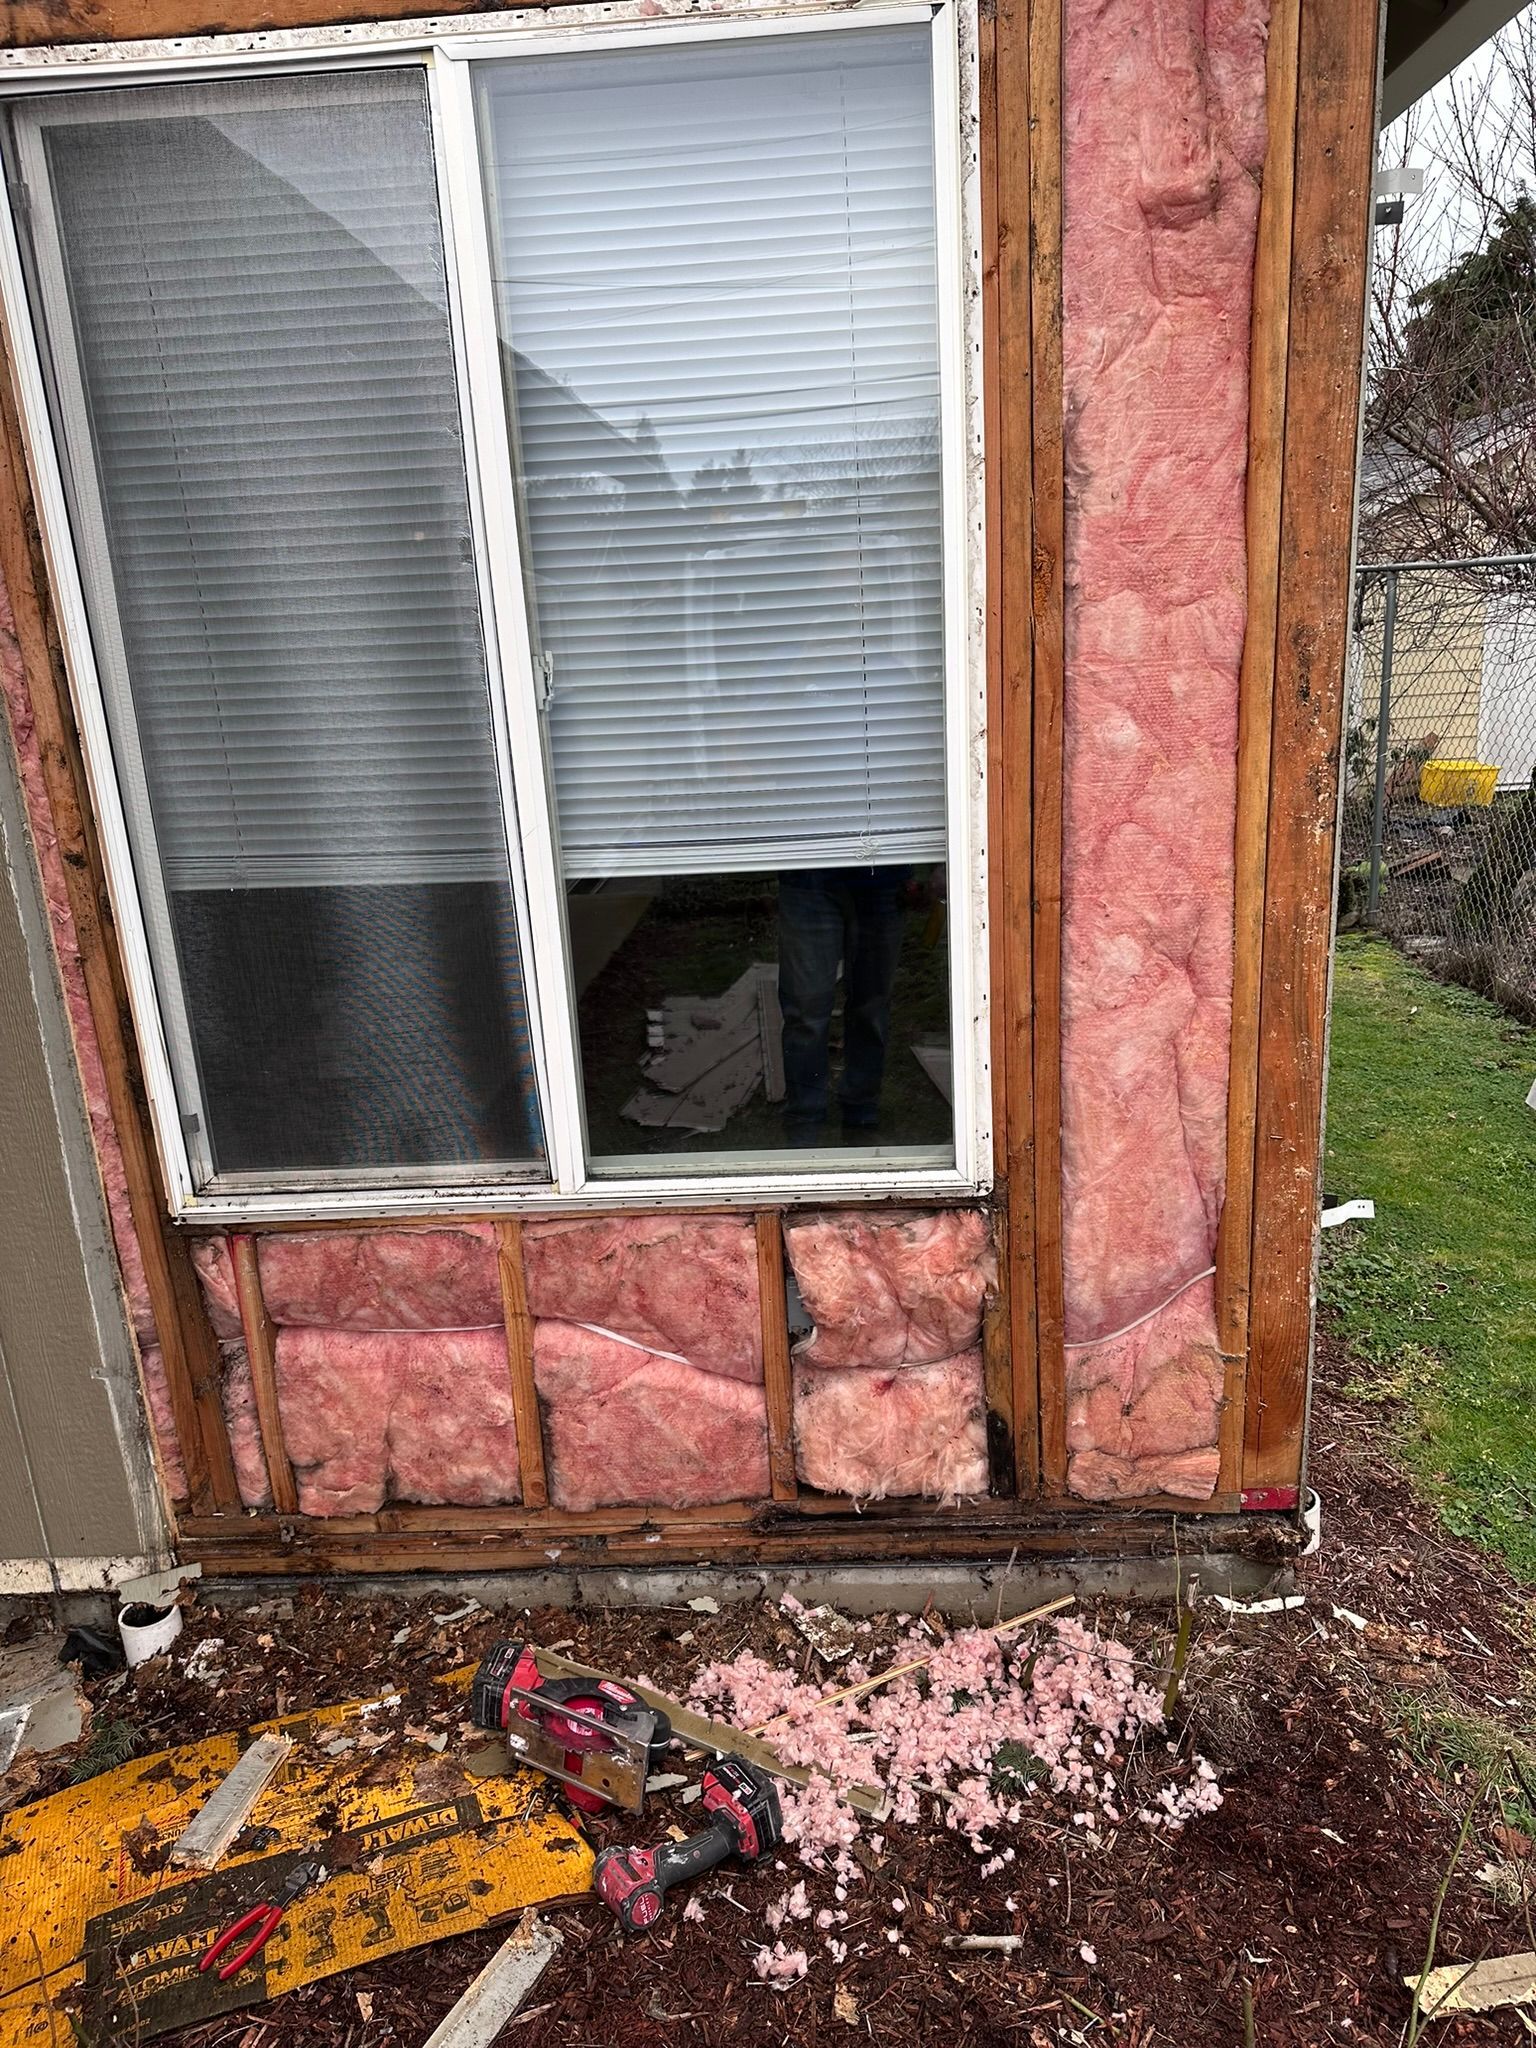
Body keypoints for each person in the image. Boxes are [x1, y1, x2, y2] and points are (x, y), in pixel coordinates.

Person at [776, 865, 910, 1145]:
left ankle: (861, 1110)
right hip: (808, 875)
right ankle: (805, 1117)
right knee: (805, 1008)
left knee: (872, 1005)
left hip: (883, 877)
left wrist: (942, 865)